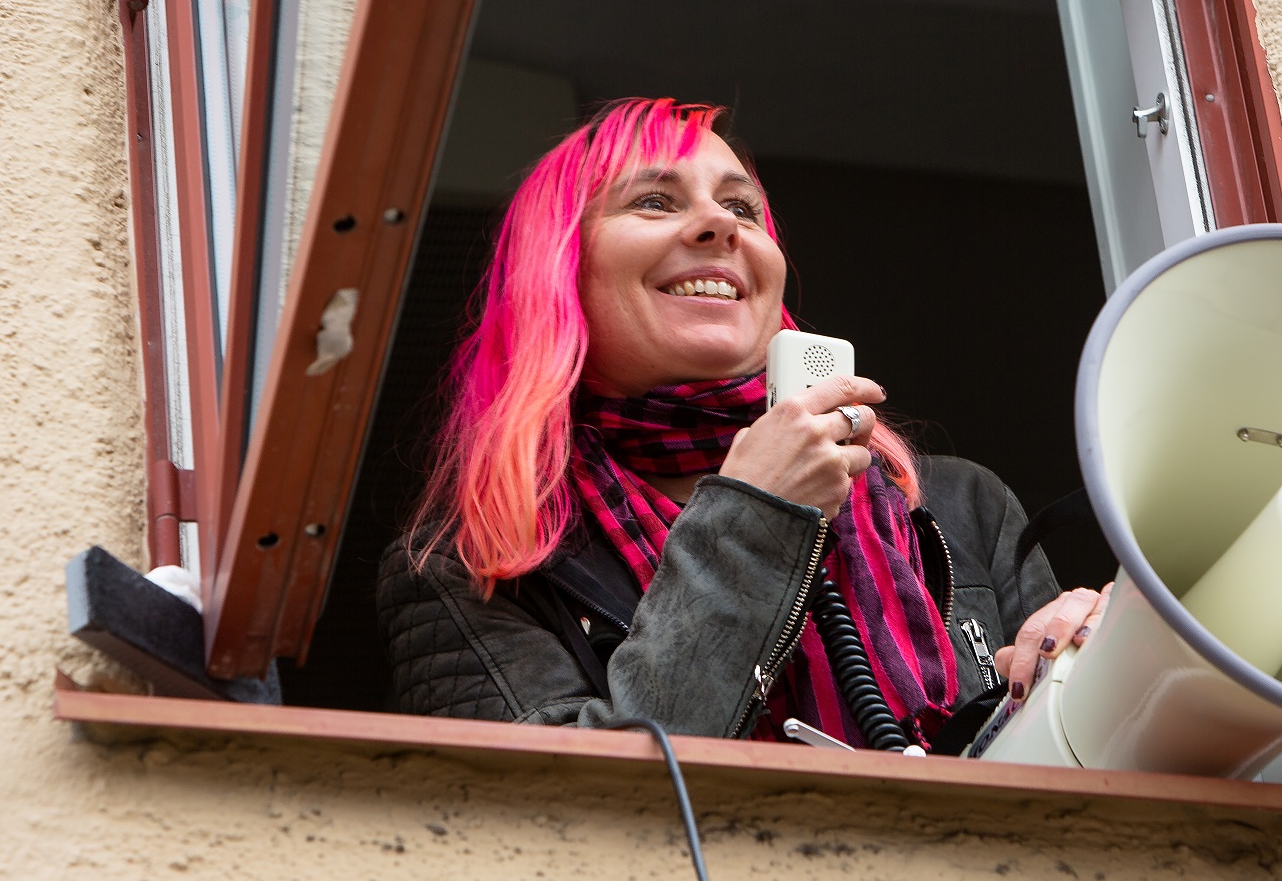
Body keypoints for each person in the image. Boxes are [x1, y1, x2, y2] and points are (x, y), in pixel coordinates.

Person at [377, 98, 1107, 751]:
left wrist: (1086, 671)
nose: (720, 224)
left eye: (744, 208)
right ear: (559, 273)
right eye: (656, 200)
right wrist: (756, 517)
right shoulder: (468, 568)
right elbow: (551, 823)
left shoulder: (961, 507)